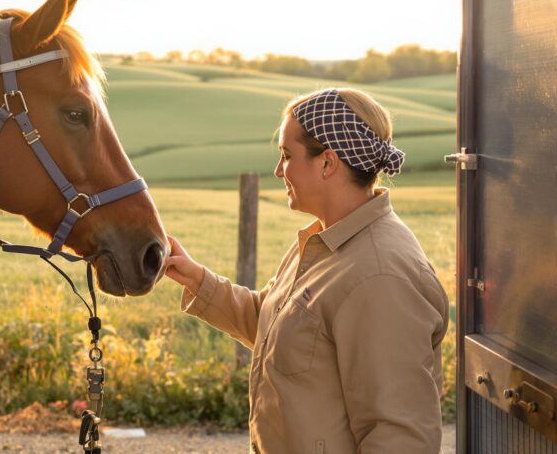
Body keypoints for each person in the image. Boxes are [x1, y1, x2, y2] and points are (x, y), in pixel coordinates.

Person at [163, 88, 449, 453]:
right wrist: (198, 280)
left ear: (327, 163)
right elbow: (276, 326)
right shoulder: (325, 241)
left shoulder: (379, 277)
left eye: (286, 155)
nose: (278, 170)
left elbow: (399, 436)